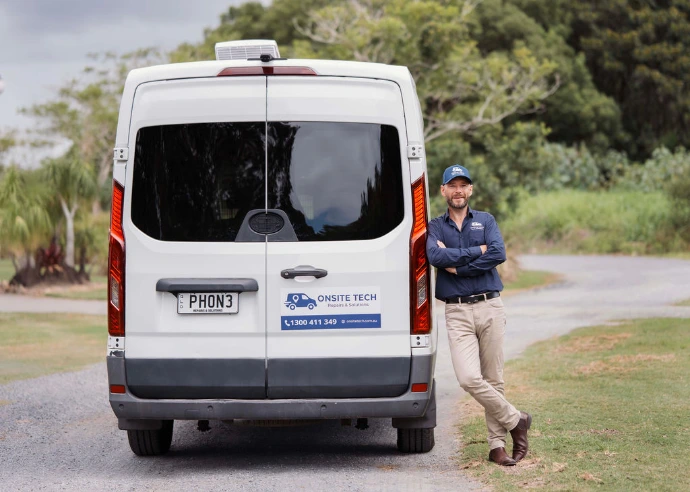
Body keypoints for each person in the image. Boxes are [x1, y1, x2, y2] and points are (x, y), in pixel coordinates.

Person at [426, 164, 531, 466]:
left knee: (494, 379)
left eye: (463, 185)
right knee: (470, 378)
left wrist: (458, 266)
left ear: (470, 190)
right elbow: (435, 256)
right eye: (452, 185)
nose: (458, 191)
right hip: (457, 311)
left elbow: (498, 253)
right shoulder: (434, 227)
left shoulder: (486, 220)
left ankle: (496, 447)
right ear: (443, 190)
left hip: (490, 306)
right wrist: (477, 251)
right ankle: (517, 420)